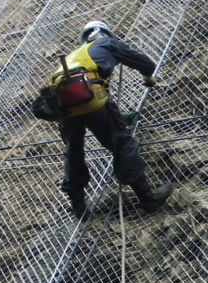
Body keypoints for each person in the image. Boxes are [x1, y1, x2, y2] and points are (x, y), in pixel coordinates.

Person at [45, 21, 173, 217]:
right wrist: (148, 78)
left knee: (74, 151)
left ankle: (78, 206)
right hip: (91, 97)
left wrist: (120, 117)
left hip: (63, 104)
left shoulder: (73, 58)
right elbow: (145, 63)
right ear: (105, 33)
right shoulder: (105, 44)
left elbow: (82, 103)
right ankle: (148, 198)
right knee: (121, 143)